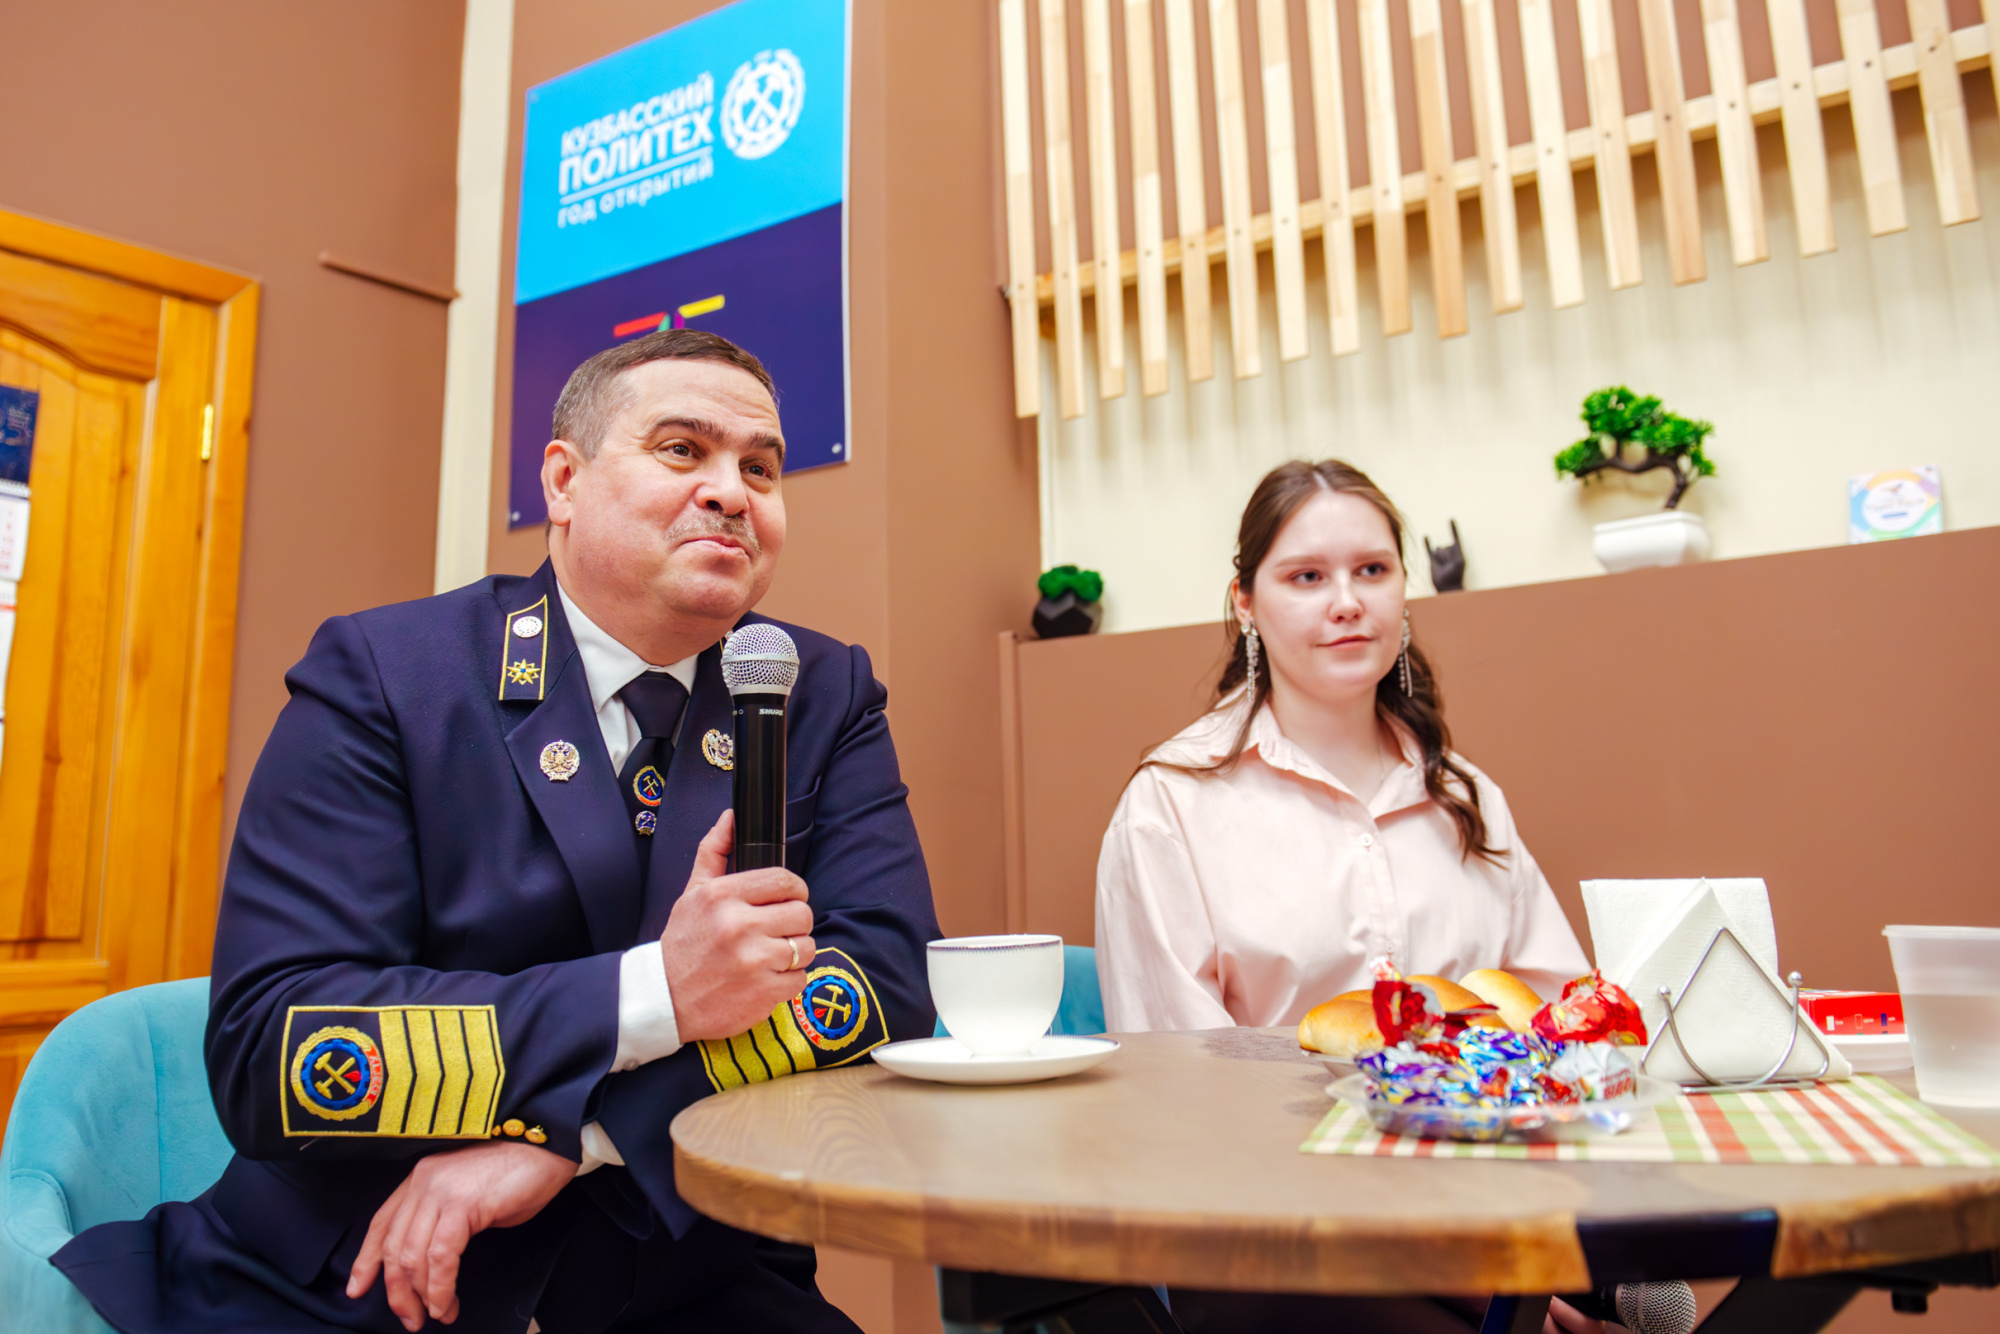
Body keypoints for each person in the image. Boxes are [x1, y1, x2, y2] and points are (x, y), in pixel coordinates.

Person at [54, 329, 940, 1334]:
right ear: (563, 480)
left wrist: (582, 1135)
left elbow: (886, 983)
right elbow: (277, 1042)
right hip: (359, 1269)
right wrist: (655, 993)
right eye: (682, 450)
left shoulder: (818, 690)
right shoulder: (389, 673)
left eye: (761, 468)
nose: (732, 493)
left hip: (683, 1271)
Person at [1094, 459, 1597, 1334]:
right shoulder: (1170, 804)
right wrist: (1475, 1278)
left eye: (1372, 570)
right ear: (1246, 603)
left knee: (1654, 1293)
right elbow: (1184, 1103)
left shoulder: (1467, 797)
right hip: (1277, 1236)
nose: (1347, 602)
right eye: (1306, 577)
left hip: (1496, 1207)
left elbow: (1564, 1022)